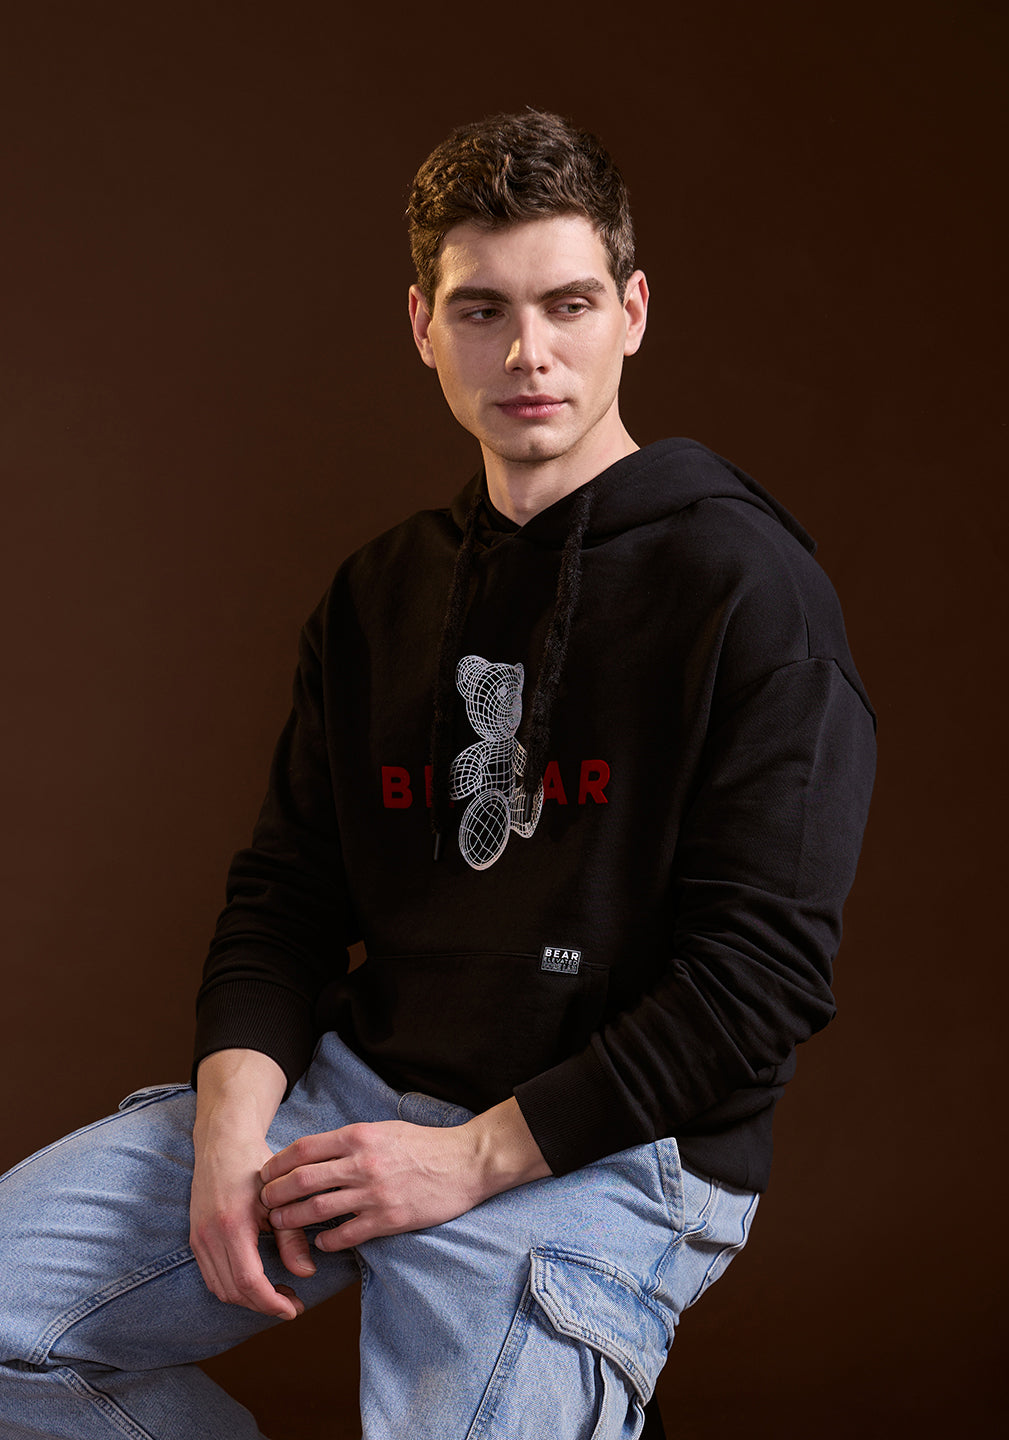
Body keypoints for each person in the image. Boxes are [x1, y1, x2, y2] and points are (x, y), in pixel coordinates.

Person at [0, 111, 876, 1439]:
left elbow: (760, 982)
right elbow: (286, 897)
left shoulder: (750, 594)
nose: (529, 353)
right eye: (482, 310)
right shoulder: (379, 594)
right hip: (360, 1093)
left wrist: (470, 1159)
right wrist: (231, 1122)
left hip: (610, 1145)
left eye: (568, 304)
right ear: (423, 325)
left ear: (633, 313)